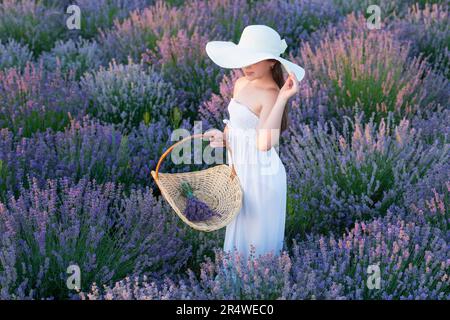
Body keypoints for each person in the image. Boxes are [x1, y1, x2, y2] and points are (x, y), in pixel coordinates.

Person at [204, 25, 305, 261]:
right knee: (239, 234)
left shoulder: (270, 93)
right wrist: (222, 136)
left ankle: (259, 291)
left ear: (272, 62)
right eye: (244, 59)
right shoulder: (240, 84)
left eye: (254, 59)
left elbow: (263, 143)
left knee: (256, 242)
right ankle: (237, 291)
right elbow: (235, 124)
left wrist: (282, 98)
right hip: (240, 170)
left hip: (260, 178)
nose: (246, 66)